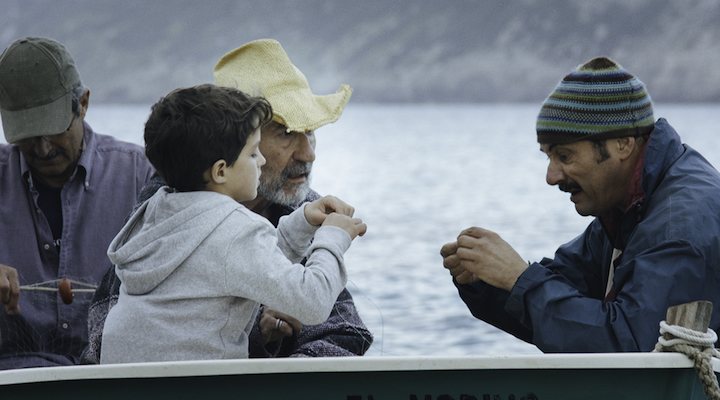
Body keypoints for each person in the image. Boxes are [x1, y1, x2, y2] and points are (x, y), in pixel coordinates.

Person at [81, 39, 373, 362]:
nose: (309, 154)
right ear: (221, 165)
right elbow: (313, 299)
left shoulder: (159, 212)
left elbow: (343, 332)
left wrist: (302, 224)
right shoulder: (235, 227)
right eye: (286, 133)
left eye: (311, 132)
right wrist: (332, 237)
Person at [441, 56, 720, 353]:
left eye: (565, 156)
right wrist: (488, 281)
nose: (551, 176)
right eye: (547, 156)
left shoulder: (679, 225)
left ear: (623, 144)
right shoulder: (630, 207)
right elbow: (566, 296)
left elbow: (631, 345)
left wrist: (519, 278)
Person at [0, 37, 154, 369]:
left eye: (54, 130)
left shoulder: (141, 176)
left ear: (83, 104)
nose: (42, 149)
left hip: (112, 379)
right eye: (28, 134)